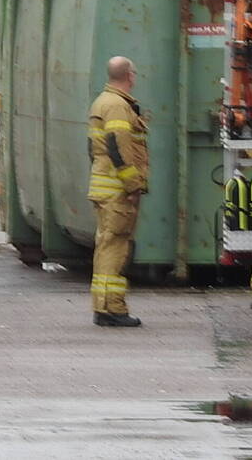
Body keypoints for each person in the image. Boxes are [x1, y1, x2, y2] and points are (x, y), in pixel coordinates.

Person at [87, 56, 149, 327]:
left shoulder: (102, 101)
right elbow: (118, 147)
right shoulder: (117, 106)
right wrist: (132, 184)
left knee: (105, 246)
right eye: (134, 73)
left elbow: (93, 149)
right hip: (117, 191)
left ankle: (103, 307)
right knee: (116, 247)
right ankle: (113, 308)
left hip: (104, 186)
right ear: (129, 75)